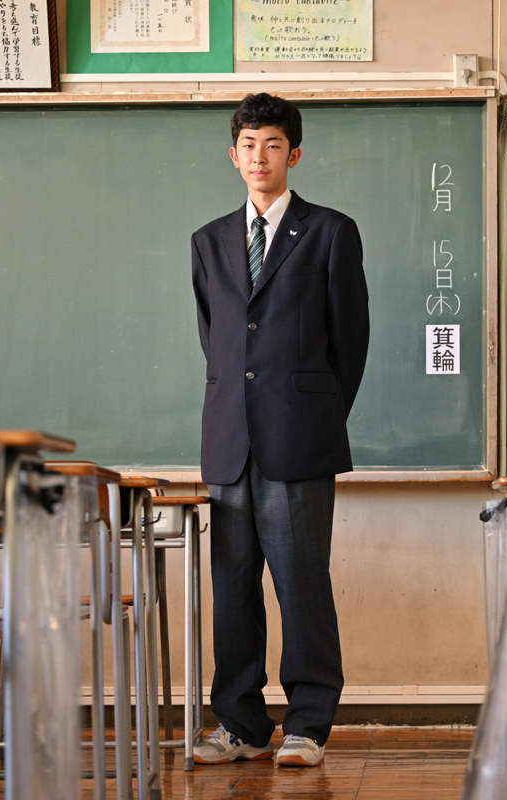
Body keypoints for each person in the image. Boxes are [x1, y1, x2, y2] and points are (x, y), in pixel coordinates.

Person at [190, 92, 370, 768]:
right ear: (233, 155)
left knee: (301, 583)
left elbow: (350, 339)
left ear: (293, 153)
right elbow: (216, 340)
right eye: (247, 145)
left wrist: (317, 412)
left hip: (300, 435)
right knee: (232, 586)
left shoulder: (329, 231)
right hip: (230, 439)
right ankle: (238, 723)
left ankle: (309, 721)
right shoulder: (208, 241)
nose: (258, 156)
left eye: (271, 145)